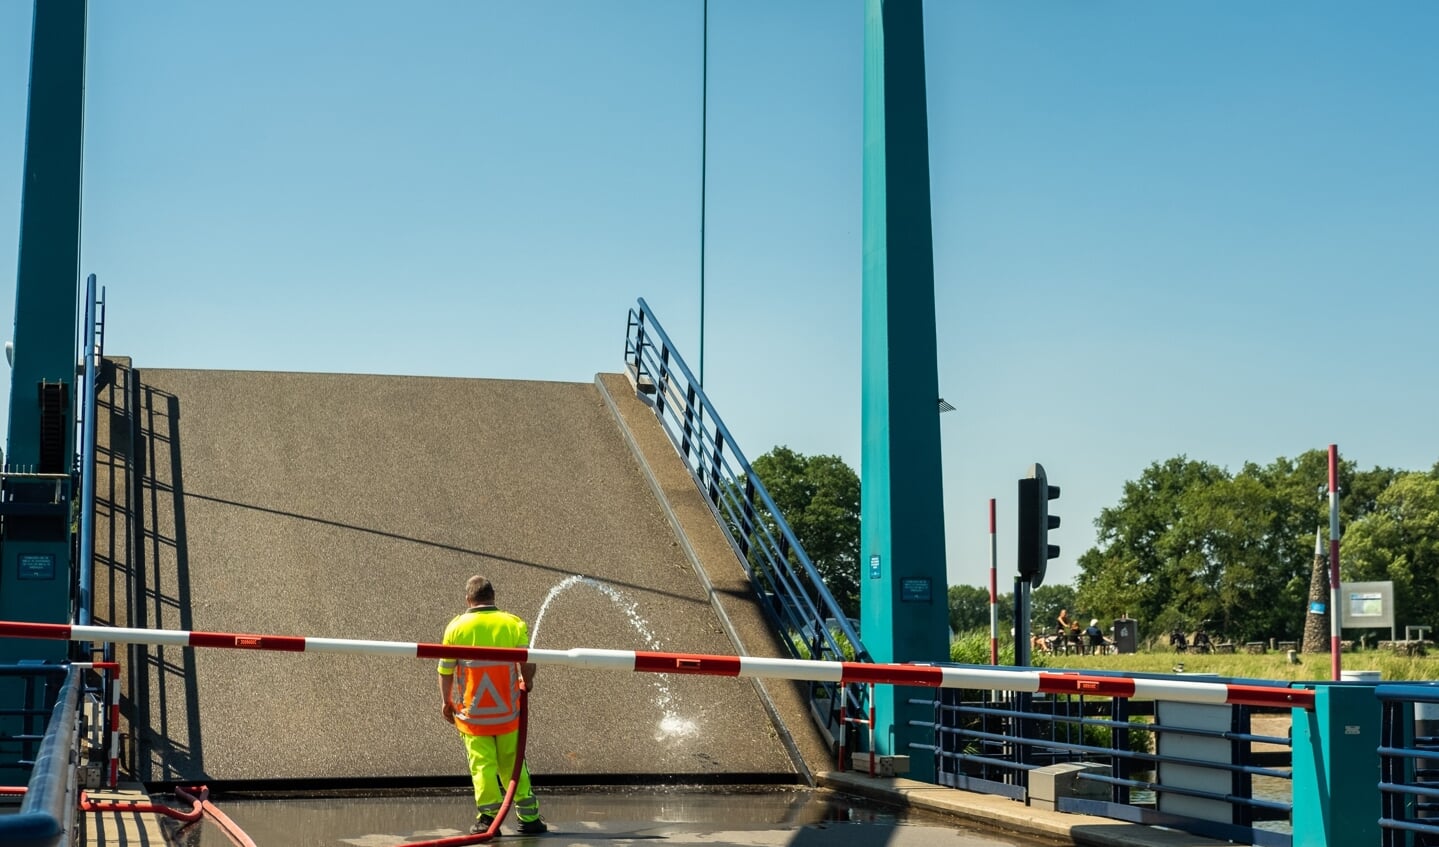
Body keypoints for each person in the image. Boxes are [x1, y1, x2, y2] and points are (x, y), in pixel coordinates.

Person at [438, 575, 547, 836]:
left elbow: (445, 669)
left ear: (468, 599)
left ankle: (487, 819)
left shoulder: (456, 628)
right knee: (514, 764)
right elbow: (527, 662)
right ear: (493, 596)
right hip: (507, 713)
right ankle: (529, 818)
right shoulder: (512, 623)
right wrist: (526, 682)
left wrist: (446, 702)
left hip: (472, 715)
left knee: (482, 766)